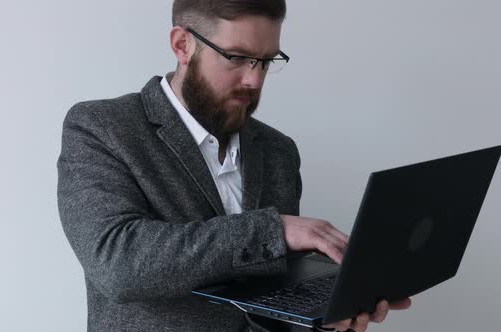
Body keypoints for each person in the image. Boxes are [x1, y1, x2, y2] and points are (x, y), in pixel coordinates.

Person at [57, 1, 411, 331]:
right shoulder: (101, 127)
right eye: (237, 57)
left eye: (266, 61)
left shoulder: (279, 151)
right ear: (182, 45)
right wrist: (273, 231)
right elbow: (117, 263)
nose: (254, 80)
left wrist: (320, 317)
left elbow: (266, 292)